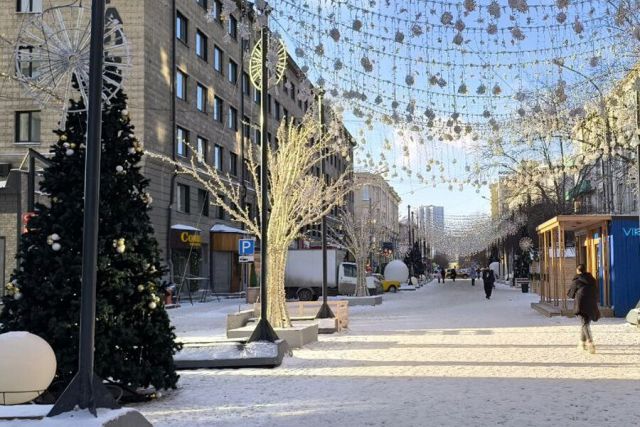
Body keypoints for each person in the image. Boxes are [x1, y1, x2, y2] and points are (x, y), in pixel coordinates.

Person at [567, 264, 601, 354]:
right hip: (592, 304)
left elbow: (570, 294)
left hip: (581, 304)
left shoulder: (577, 280)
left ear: (578, 271)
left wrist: (576, 294)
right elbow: (596, 291)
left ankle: (590, 343)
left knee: (584, 324)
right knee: (585, 323)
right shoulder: (592, 279)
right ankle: (582, 343)